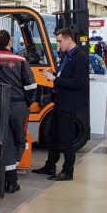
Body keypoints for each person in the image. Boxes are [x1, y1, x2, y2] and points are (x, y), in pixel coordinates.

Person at [32, 28, 89, 181]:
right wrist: (54, 75)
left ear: (69, 39)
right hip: (59, 101)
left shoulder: (80, 57)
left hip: (69, 104)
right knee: (53, 135)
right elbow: (64, 75)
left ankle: (67, 170)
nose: (58, 44)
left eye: (60, 41)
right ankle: (50, 165)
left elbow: (78, 83)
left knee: (66, 137)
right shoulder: (66, 56)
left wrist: (55, 79)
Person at [0, 30, 36, 193]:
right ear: (9, 43)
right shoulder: (20, 60)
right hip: (18, 105)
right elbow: (31, 86)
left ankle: (5, 178)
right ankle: (11, 179)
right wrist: (27, 103)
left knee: (5, 141)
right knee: (20, 140)